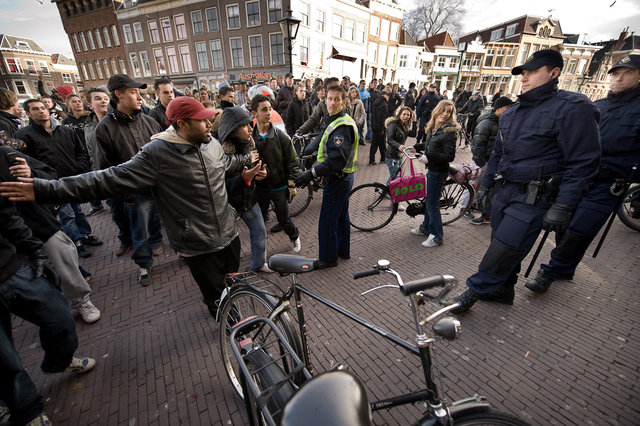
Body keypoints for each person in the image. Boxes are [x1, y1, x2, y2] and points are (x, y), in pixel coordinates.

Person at [0, 97, 254, 318]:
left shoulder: (211, 144)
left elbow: (225, 164)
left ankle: (226, 307)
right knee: (218, 298)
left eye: (209, 119)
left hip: (228, 233)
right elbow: (103, 179)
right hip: (198, 243)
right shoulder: (156, 154)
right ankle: (234, 331)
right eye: (202, 120)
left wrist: (247, 161)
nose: (209, 125)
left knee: (231, 282)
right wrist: (44, 188)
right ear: (182, 124)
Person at [451, 49, 601, 313]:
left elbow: (583, 162)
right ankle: (503, 290)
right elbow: (498, 152)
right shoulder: (511, 113)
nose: (524, 77)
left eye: (532, 71)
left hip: (535, 197)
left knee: (505, 248)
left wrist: (564, 205)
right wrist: (486, 185)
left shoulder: (573, 108)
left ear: (554, 73)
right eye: (523, 72)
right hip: (505, 192)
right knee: (503, 243)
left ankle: (474, 291)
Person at [525, 54, 640, 294]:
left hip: (608, 183)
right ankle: (565, 267)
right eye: (615, 73)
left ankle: (550, 270)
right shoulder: (597, 106)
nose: (618, 78)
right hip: (578, 178)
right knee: (563, 225)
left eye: (626, 73)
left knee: (580, 230)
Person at [0, 188, 95, 426]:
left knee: (58, 315)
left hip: (10, 267)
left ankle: (59, 361)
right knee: (4, 359)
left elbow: (6, 214)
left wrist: (34, 249)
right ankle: (29, 412)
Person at [1, 147, 101, 324]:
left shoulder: (4, 154)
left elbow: (50, 175)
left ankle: (82, 301)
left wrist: (31, 173)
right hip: (7, 244)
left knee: (63, 260)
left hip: (37, 225)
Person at [95, 74, 165, 285]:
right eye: (133, 92)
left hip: (160, 186)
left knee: (167, 220)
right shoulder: (104, 129)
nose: (139, 97)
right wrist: (126, 195)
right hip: (134, 191)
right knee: (139, 229)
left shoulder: (149, 121)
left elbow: (165, 152)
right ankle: (144, 264)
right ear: (118, 94)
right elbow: (105, 169)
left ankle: (171, 246)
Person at [15, 99, 102, 259]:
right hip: (50, 183)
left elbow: (80, 150)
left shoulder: (66, 131)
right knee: (66, 213)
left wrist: (79, 166)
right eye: (35, 109)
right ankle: (77, 241)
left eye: (43, 108)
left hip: (71, 178)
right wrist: (41, 178)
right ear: (28, 114)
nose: (41, 111)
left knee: (78, 210)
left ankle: (85, 234)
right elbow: (27, 163)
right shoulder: (24, 136)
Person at [295, 85, 358, 268]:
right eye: (329, 98)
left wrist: (311, 172)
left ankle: (328, 258)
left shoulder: (341, 126)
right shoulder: (338, 120)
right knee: (340, 216)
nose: (332, 102)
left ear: (343, 102)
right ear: (325, 100)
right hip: (345, 177)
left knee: (328, 219)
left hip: (337, 179)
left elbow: (336, 160)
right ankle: (343, 251)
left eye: (336, 99)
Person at [218, 106, 271, 273]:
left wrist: (263, 172)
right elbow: (220, 187)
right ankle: (229, 277)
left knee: (260, 232)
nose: (250, 129)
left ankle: (258, 264)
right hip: (227, 206)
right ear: (233, 128)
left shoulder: (250, 143)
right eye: (245, 125)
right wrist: (244, 178)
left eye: (250, 124)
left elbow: (257, 164)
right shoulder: (218, 151)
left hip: (248, 199)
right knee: (229, 243)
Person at [251, 94, 301, 251]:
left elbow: (293, 161)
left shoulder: (281, 136)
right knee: (259, 221)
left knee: (284, 219)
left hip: (279, 187)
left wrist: (291, 184)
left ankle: (294, 237)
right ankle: (261, 248)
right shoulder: (249, 139)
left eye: (270, 109)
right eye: (264, 110)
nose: (268, 113)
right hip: (260, 188)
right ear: (254, 113)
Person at [411, 100, 459, 247]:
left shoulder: (449, 132)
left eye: (449, 112)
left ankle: (437, 236)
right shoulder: (435, 127)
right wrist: (415, 146)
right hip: (432, 169)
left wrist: (429, 157)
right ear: (437, 110)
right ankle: (426, 227)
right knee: (429, 200)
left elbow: (449, 156)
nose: (445, 114)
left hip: (439, 171)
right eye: (443, 110)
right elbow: (430, 146)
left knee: (432, 203)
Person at [469, 96, 514, 225]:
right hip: (485, 161)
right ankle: (469, 208)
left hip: (491, 160)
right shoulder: (488, 123)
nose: (509, 110)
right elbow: (478, 143)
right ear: (499, 108)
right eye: (507, 108)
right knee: (477, 185)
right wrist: (480, 162)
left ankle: (483, 211)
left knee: (484, 187)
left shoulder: (500, 122)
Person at [385, 106, 417, 185]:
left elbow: (413, 134)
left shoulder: (404, 125)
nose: (406, 116)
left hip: (400, 155)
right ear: (399, 114)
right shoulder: (393, 124)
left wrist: (414, 121)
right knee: (395, 177)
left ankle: (385, 190)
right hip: (391, 156)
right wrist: (398, 146)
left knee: (396, 176)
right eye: (404, 114)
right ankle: (387, 192)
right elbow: (389, 140)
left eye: (408, 115)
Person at [369, 90, 390, 165]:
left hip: (374, 126)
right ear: (385, 96)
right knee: (380, 144)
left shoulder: (376, 102)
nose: (388, 98)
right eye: (388, 96)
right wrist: (382, 128)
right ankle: (382, 159)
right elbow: (381, 118)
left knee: (376, 144)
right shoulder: (383, 105)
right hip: (380, 128)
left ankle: (373, 160)